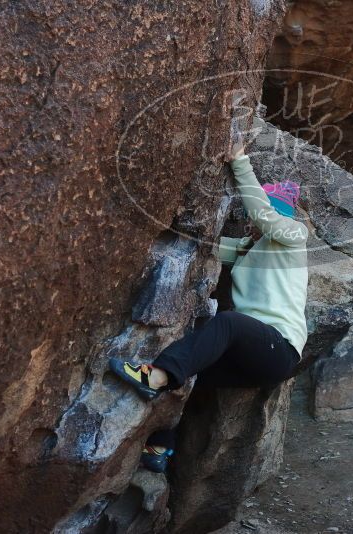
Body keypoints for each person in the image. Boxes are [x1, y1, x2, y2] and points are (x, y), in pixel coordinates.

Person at [109, 140, 309, 473]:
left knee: (227, 323)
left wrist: (240, 162)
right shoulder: (248, 247)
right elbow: (205, 246)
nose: (250, 220)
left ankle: (154, 375)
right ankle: (160, 445)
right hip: (253, 357)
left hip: (279, 348)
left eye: (259, 214)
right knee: (191, 373)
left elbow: (265, 215)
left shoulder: (293, 236)